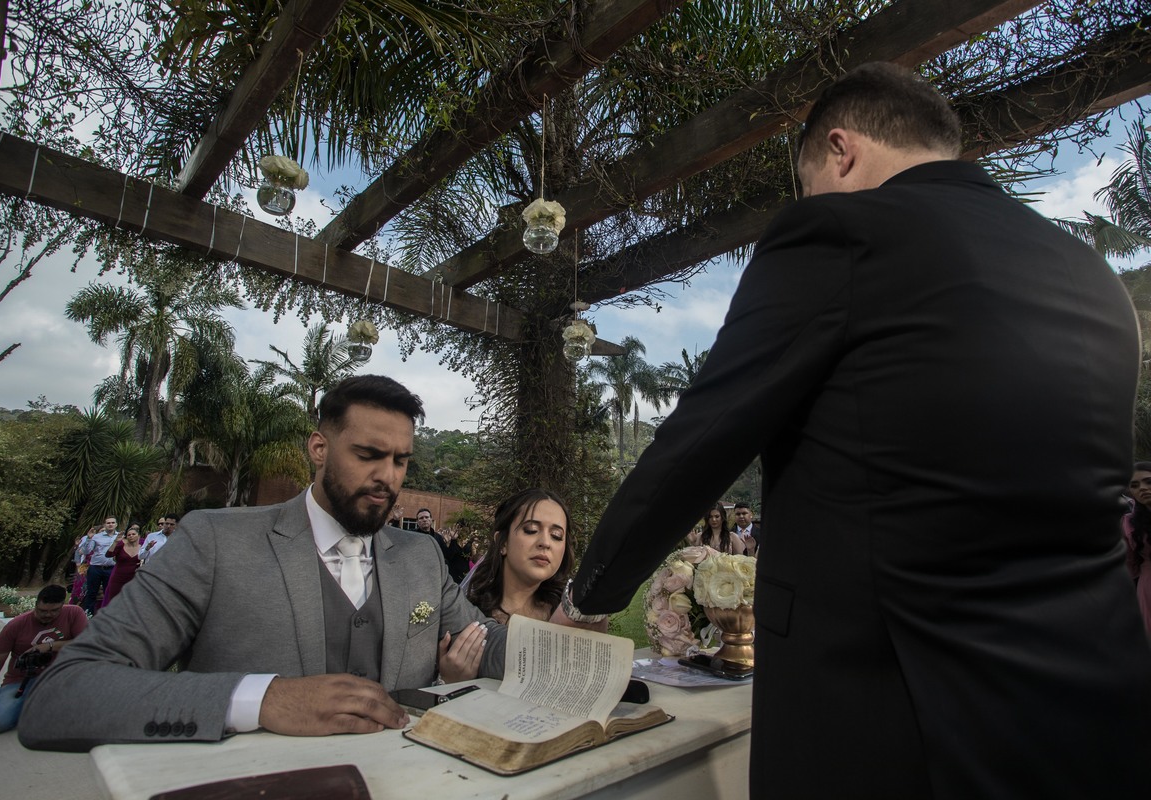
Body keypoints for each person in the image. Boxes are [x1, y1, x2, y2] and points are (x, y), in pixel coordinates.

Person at [568, 63, 1151, 798]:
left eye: (807, 184)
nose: (808, 201)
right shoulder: (1092, 277)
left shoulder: (842, 230)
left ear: (840, 151)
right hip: (1094, 714)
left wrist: (589, 594)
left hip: (891, 717)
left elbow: (705, 435)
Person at [18, 375, 508, 752]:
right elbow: (65, 693)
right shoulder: (214, 542)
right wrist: (262, 700)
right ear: (319, 448)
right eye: (368, 455)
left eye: (401, 460)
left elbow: (487, 642)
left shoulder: (421, 556)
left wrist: (555, 640)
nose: (388, 477)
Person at [463, 488, 604, 631]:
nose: (545, 543)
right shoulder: (466, 616)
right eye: (531, 530)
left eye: (556, 535)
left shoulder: (572, 616)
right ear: (503, 542)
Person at [0, 585, 87, 735]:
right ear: (35, 605)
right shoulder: (16, 626)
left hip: (59, 678)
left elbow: (86, 643)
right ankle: (34, 705)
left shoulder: (74, 613)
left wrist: (49, 646)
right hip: (21, 680)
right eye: (43, 611)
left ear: (62, 605)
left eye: (54, 611)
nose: (48, 615)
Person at [1123, 462, 1151, 635]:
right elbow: (1129, 562)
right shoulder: (1128, 522)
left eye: (1149, 481)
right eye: (1134, 485)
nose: (1142, 488)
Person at [78, 516, 118, 615]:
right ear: (104, 525)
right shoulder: (96, 537)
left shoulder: (120, 537)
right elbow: (86, 551)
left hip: (111, 568)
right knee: (92, 593)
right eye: (108, 523)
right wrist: (89, 538)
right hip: (96, 568)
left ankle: (107, 616)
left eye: (113, 522)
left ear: (116, 524)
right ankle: (88, 615)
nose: (110, 524)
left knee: (109, 593)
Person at [99, 525, 142, 609]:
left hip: (133, 578)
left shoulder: (143, 548)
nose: (131, 536)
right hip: (118, 577)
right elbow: (108, 554)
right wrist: (116, 542)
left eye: (133, 534)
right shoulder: (121, 546)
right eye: (129, 535)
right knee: (114, 600)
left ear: (138, 536)